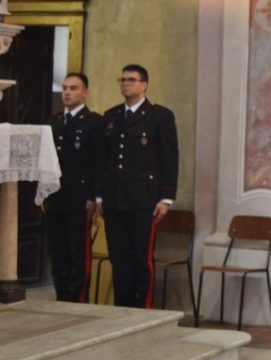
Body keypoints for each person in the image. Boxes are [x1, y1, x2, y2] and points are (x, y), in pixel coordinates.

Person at [96, 64, 179, 308]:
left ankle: (142, 310)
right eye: (122, 80)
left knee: (140, 260)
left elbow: (169, 158)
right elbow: (104, 159)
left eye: (131, 80)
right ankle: (122, 308)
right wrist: (99, 196)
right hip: (114, 200)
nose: (126, 84)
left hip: (144, 200)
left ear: (144, 85)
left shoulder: (159, 116)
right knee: (119, 259)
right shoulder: (111, 116)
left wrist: (166, 198)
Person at [43, 73, 102, 302]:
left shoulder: (94, 122)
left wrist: (94, 197)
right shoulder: (55, 121)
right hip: (56, 196)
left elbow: (99, 163)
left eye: (73, 88)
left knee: (79, 253)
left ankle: (77, 299)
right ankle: (61, 295)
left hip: (79, 198)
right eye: (65, 88)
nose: (67, 92)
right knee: (58, 252)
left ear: (85, 92)